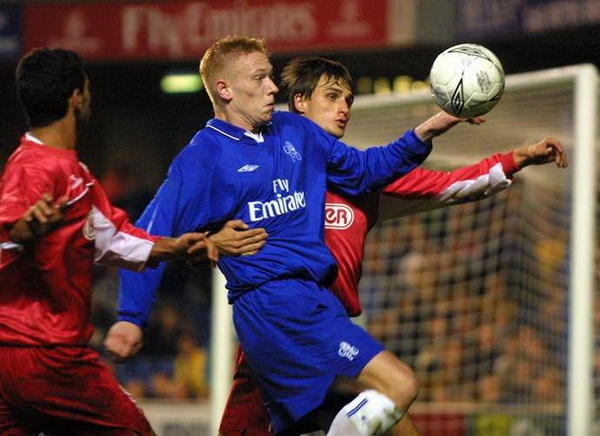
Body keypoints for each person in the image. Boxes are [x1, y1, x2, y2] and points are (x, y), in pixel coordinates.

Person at [104, 36, 562, 435]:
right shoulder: (204, 158)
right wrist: (131, 314)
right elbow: (151, 233)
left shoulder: (298, 135)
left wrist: (438, 125)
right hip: (280, 311)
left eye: (271, 77)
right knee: (399, 386)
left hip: (316, 313)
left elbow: (377, 170)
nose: (273, 87)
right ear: (225, 89)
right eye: (261, 78)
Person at [0, 47, 267, 436]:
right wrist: (26, 229)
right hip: (49, 355)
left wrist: (189, 245)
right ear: (77, 97)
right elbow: (11, 227)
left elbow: (118, 240)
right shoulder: (37, 167)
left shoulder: (70, 173)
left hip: (11, 359)